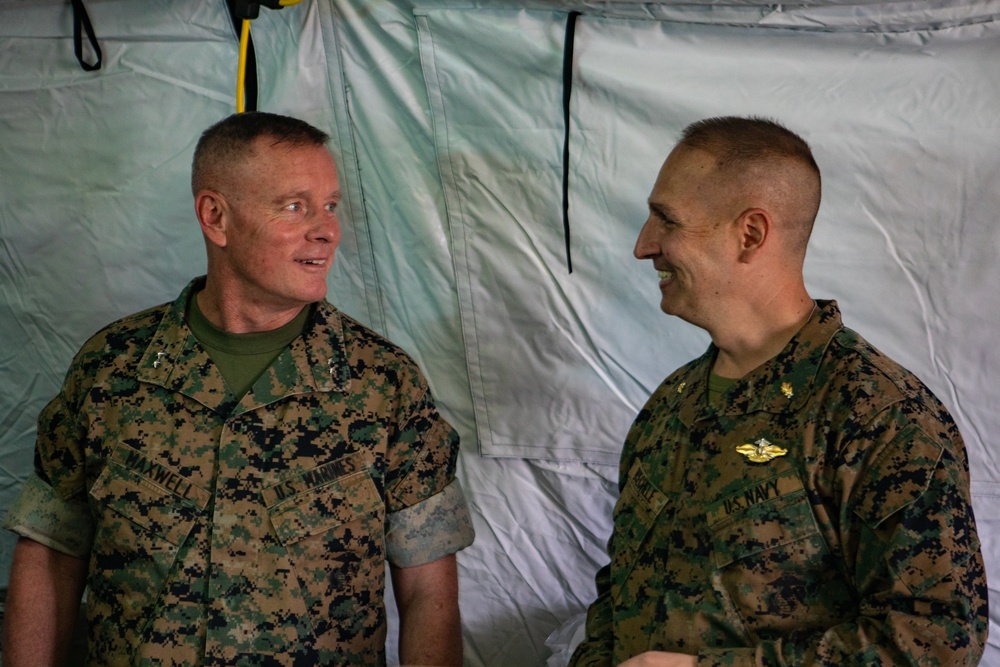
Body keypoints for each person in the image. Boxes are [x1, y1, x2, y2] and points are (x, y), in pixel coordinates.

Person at [2, 111, 475, 666]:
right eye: (295, 206)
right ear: (216, 217)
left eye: (330, 205)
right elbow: (51, 555)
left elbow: (428, 592)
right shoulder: (112, 370)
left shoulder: (381, 384)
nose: (326, 230)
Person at [569, 116, 988, 666]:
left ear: (750, 234)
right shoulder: (672, 406)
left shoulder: (878, 416)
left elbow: (937, 640)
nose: (644, 246)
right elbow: (619, 598)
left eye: (666, 221)